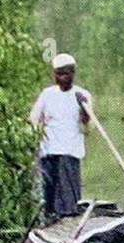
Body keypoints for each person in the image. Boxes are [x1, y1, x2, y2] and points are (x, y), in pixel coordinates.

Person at [28, 53, 92, 222]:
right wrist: (33, 140)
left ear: (73, 73)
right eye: (59, 73)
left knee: (68, 197)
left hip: (69, 150)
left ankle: (68, 223)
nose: (63, 77)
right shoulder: (47, 94)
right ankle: (50, 220)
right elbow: (33, 119)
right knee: (49, 191)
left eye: (67, 73)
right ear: (54, 74)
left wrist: (83, 108)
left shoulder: (82, 95)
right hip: (48, 149)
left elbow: (87, 125)